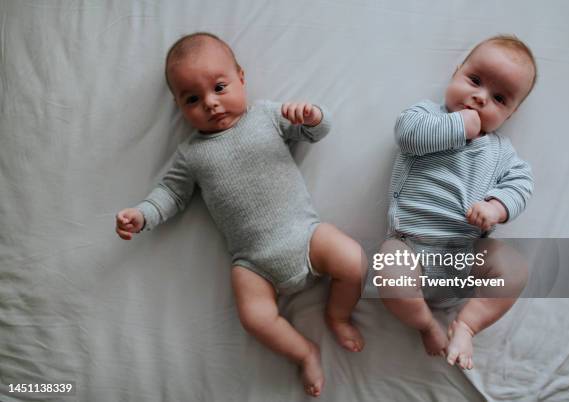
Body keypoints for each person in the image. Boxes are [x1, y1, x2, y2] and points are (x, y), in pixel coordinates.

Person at [115, 32, 365, 397]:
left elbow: (315, 132)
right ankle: (304, 352)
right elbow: (169, 193)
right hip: (253, 263)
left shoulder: (265, 116)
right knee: (255, 318)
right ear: (178, 105)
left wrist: (311, 116)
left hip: (305, 234)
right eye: (193, 99)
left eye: (219, 87)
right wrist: (141, 215)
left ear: (241, 78)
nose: (211, 104)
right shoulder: (191, 154)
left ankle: (338, 315)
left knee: (354, 261)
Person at [380, 34, 536, 370]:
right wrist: (458, 125)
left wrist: (496, 206)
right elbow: (407, 135)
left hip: (467, 252)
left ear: (509, 114)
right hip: (410, 248)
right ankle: (425, 324)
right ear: (456, 72)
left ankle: (466, 324)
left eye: (498, 98)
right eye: (475, 81)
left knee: (515, 269)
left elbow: (522, 184)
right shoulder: (426, 116)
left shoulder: (500, 152)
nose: (480, 98)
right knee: (388, 271)